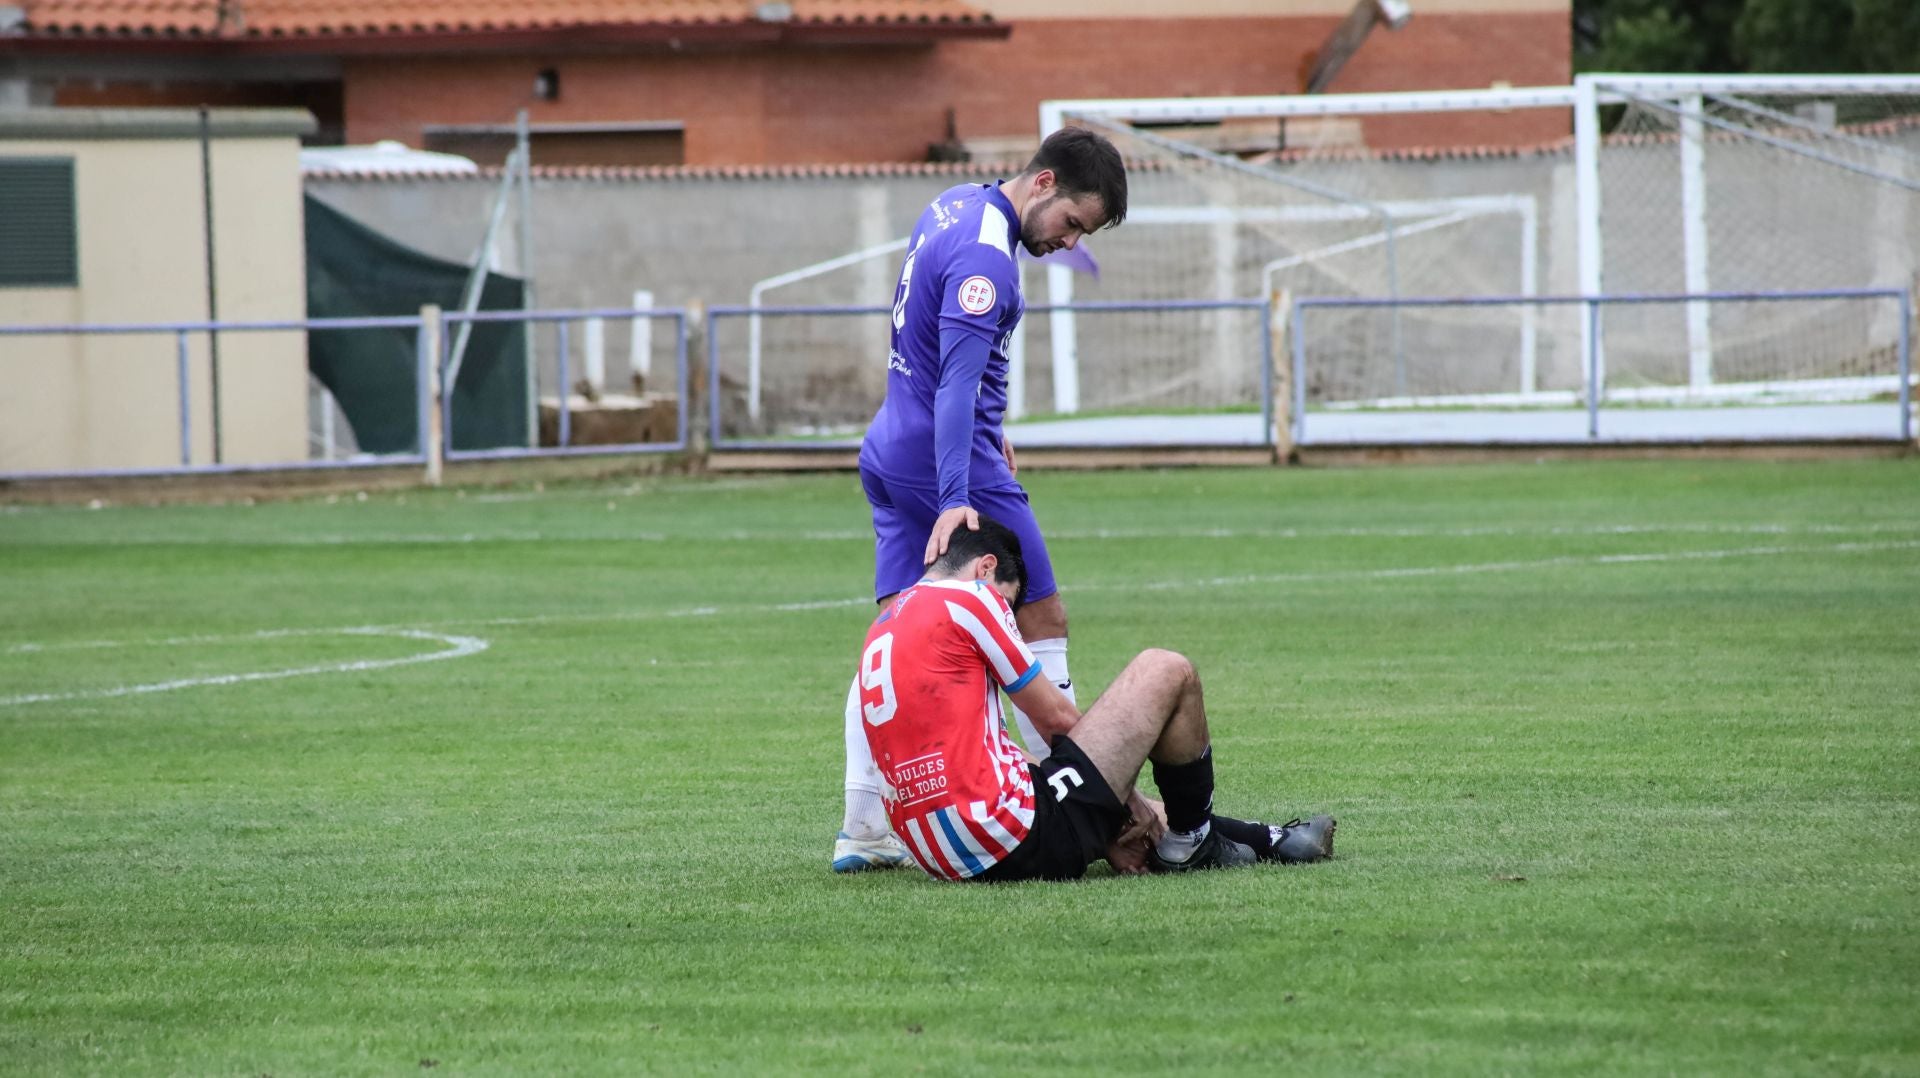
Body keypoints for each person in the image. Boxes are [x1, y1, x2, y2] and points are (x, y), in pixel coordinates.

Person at [833, 127, 1129, 872]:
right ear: (1044, 182)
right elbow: (957, 383)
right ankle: (1071, 798)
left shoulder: (954, 204)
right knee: (1042, 614)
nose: (1068, 243)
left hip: (891, 441)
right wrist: (956, 496)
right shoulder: (990, 262)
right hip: (944, 461)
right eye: (1071, 223)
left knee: (899, 639)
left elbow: (926, 345)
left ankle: (864, 826)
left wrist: (990, 430)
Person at [851, 515, 1335, 882]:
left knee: (1087, 792)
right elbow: (1057, 720)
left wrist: (1107, 830)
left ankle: (1269, 838)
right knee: (1166, 669)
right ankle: (1192, 842)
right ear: (986, 567)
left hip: (942, 854)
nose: (1008, 614)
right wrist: (1130, 801)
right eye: (1008, 600)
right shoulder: (969, 599)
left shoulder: (883, 629)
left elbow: (984, 756)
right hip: (1004, 835)